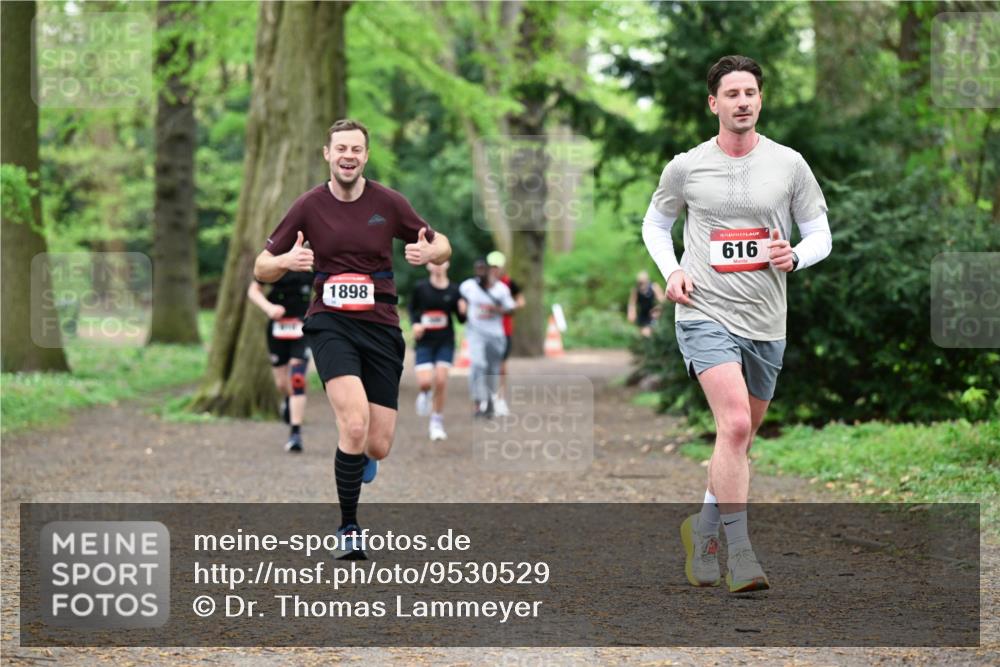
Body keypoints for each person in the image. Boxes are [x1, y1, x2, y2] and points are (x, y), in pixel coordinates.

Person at [641, 55, 832, 593]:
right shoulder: (686, 166)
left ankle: (701, 532)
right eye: (732, 94)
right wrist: (673, 270)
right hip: (704, 311)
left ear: (760, 100)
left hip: (767, 318)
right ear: (713, 104)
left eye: (750, 92)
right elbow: (656, 224)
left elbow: (821, 234)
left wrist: (796, 256)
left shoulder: (790, 164)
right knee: (736, 426)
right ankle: (740, 555)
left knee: (738, 441)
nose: (742, 101)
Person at [254, 119, 451, 559]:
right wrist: (287, 259)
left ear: (365, 156)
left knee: (377, 443)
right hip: (330, 323)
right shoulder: (308, 206)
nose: (348, 155)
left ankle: (361, 458)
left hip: (381, 326)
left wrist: (429, 252)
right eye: (340, 148)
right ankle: (348, 527)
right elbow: (260, 267)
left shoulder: (389, 203)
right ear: (327, 153)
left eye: (356, 149)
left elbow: (443, 246)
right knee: (355, 425)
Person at [247, 270, 314, 453]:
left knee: (297, 379)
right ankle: (288, 400)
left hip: (303, 327)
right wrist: (269, 308)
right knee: (282, 383)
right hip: (277, 328)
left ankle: (295, 434)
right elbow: (253, 290)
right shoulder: (276, 260)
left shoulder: (312, 259)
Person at [409, 261, 467, 441]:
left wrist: (463, 311)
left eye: (441, 262)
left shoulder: (455, 290)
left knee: (441, 380)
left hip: (445, 342)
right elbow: (412, 309)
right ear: (428, 266)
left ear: (448, 264)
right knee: (425, 382)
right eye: (434, 263)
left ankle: (436, 421)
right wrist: (416, 323)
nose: (438, 266)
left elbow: (461, 319)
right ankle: (425, 394)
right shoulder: (421, 287)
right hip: (425, 342)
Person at [459, 257, 515, 418]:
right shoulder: (468, 286)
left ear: (490, 270)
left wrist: (497, 309)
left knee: (492, 370)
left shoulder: (501, 289)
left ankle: (490, 402)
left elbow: (511, 309)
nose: (480, 272)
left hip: (496, 335)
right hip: (476, 332)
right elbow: (460, 298)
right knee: (478, 364)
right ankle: (478, 402)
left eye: (483, 269)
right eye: (477, 269)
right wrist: (461, 306)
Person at [485, 251, 524, 416]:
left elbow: (521, 301)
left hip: (504, 329)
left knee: (501, 365)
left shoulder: (509, 283)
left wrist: (507, 308)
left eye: (497, 266)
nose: (494, 269)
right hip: (486, 330)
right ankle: (488, 399)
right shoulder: (482, 283)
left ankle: (500, 399)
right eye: (492, 266)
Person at [627, 270, 664, 337]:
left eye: (642, 282)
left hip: (653, 315)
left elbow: (663, 301)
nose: (641, 284)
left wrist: (658, 310)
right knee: (642, 334)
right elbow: (632, 304)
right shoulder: (636, 290)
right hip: (643, 315)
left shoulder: (654, 287)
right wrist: (631, 314)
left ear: (647, 280)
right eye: (639, 282)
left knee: (648, 333)